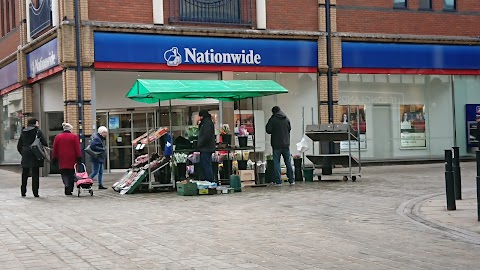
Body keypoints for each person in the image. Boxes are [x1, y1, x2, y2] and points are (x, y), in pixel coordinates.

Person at [17, 118, 47, 197]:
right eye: (37, 123)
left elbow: (19, 145)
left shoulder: (23, 131)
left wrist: (23, 152)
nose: (38, 124)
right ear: (35, 123)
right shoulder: (37, 131)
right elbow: (44, 143)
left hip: (26, 153)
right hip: (35, 154)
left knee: (25, 173)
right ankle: (35, 192)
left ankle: (23, 191)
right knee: (35, 173)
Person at [266, 106, 294, 186]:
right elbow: (289, 128)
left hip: (276, 145)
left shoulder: (273, 119)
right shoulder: (286, 118)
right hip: (286, 144)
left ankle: (278, 181)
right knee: (288, 162)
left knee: (276, 163)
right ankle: (291, 180)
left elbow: (268, 130)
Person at [52, 123, 82, 195]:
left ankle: (66, 184)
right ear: (70, 129)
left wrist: (55, 158)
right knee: (71, 174)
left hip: (62, 158)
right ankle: (70, 189)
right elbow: (77, 148)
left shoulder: (58, 137)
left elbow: (55, 148)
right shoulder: (74, 137)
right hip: (72, 158)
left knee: (64, 173)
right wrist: (79, 157)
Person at [197, 110, 216, 181]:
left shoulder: (206, 123)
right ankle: (207, 181)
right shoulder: (206, 122)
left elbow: (206, 136)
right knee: (206, 165)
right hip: (206, 148)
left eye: (200, 116)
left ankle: (209, 181)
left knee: (206, 165)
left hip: (206, 148)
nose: (199, 118)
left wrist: (199, 144)